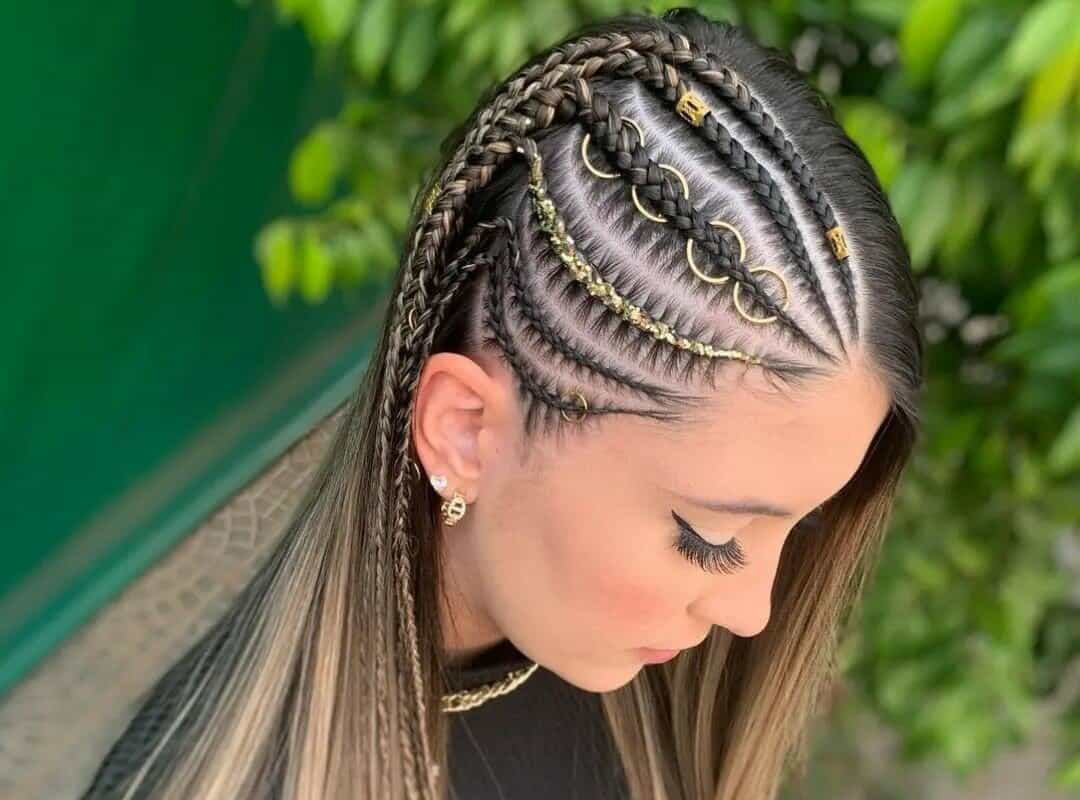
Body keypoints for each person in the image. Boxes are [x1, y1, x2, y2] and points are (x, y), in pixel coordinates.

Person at [79, 7, 922, 800]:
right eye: (708, 538)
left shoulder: (663, 680)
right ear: (465, 431)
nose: (752, 613)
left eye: (804, 523)